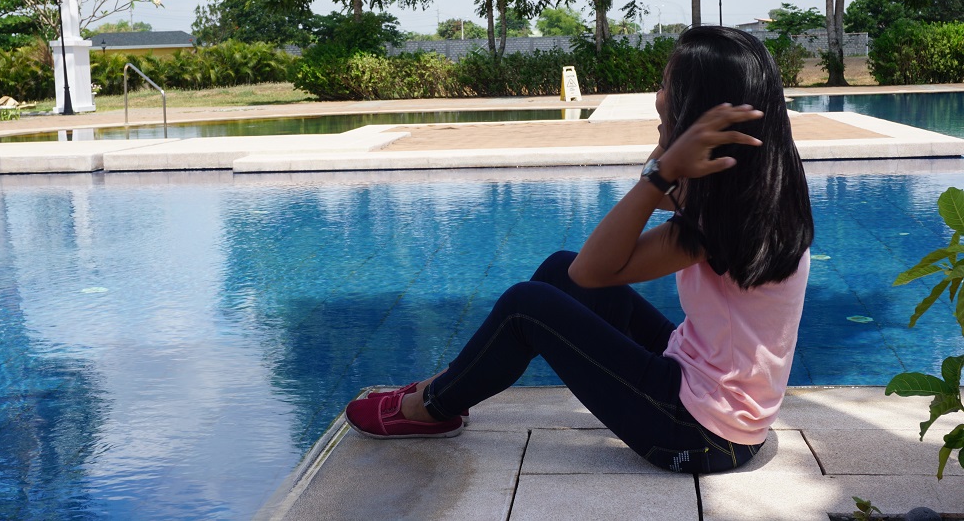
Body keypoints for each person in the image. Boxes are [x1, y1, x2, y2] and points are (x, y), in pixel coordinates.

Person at [344, 25, 815, 474]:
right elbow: (594, 260)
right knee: (557, 270)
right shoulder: (759, 190)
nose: (658, 95)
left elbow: (596, 270)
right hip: (710, 395)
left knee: (526, 307)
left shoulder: (724, 221)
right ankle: (454, 383)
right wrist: (669, 151)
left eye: (667, 85)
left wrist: (665, 168)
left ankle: (431, 405)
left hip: (701, 433)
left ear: (697, 104)